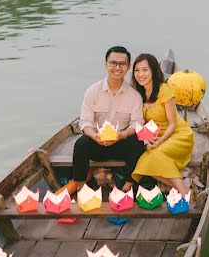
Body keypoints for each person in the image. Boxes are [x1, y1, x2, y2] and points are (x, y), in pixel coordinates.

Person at [59, 46, 145, 195]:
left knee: (137, 141)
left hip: (120, 143)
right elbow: (85, 121)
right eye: (113, 63)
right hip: (97, 143)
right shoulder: (93, 91)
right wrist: (94, 136)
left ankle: (127, 185)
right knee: (81, 143)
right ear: (106, 64)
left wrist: (122, 134)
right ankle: (80, 187)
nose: (117, 67)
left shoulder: (134, 95)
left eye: (122, 64)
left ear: (128, 67)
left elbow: (137, 122)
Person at [130, 53, 194, 196]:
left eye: (145, 70)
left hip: (176, 134)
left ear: (153, 71)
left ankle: (184, 195)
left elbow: (172, 123)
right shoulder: (136, 92)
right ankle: (182, 186)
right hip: (154, 135)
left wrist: (162, 139)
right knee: (145, 165)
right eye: (137, 70)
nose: (140, 74)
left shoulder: (164, 91)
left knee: (157, 155)